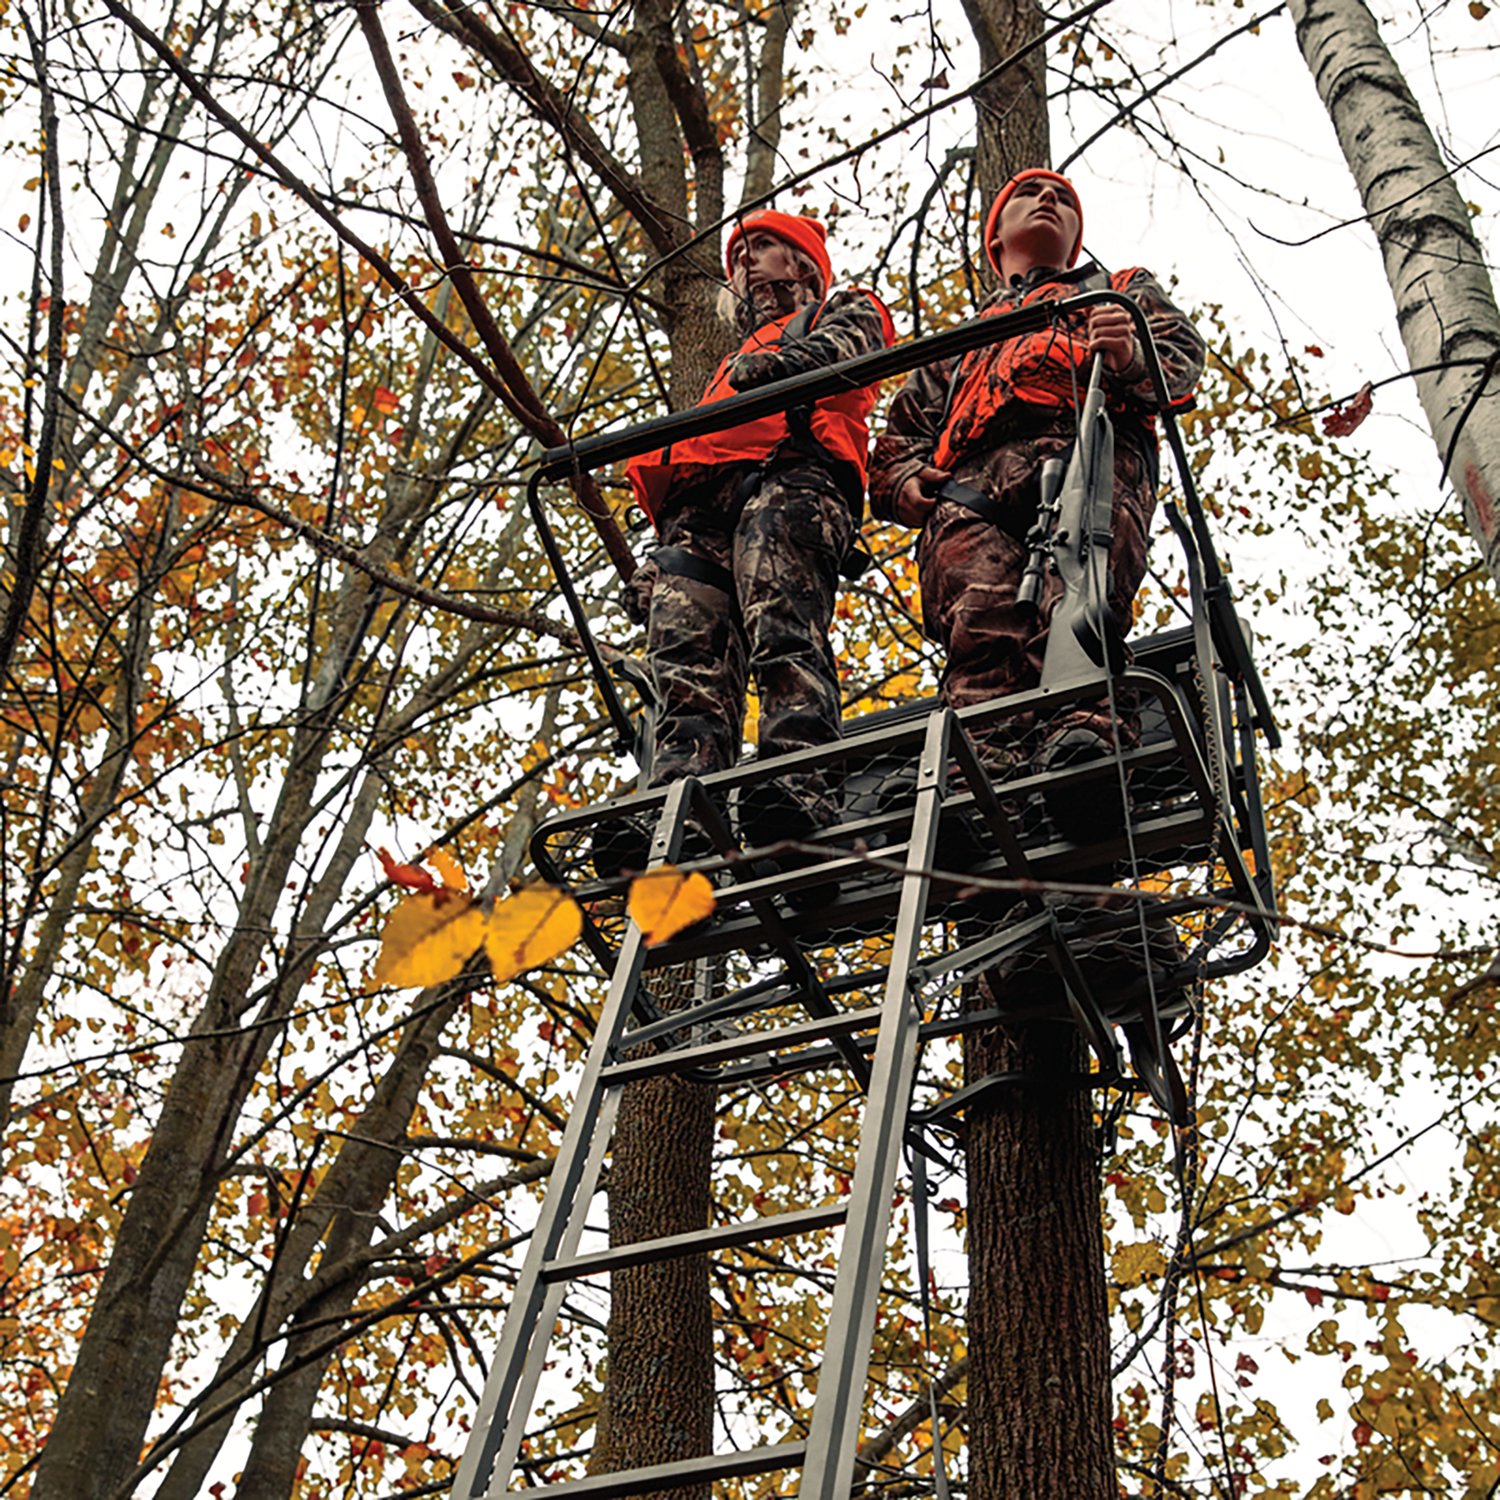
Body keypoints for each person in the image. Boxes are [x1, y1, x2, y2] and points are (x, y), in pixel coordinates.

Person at [868, 168, 1205, 842]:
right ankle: (968, 787)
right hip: (970, 501)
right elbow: (897, 441)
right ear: (994, 239)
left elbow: (1180, 358)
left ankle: (1084, 751)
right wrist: (906, 483)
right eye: (1029, 195)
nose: (1049, 201)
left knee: (1078, 613)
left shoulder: (1116, 293)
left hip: (1087, 463)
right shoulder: (960, 343)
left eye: (1065, 201)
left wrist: (1132, 354)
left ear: (1079, 237)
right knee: (979, 638)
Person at [595, 210, 895, 877]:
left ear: (804, 263)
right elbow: (701, 450)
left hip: (789, 474)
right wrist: (656, 567)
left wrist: (782, 366)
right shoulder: (729, 366)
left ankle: (798, 787)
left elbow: (857, 349)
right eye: (741, 253)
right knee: (683, 669)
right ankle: (677, 824)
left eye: (766, 247)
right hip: (700, 511)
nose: (749, 262)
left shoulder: (838, 311)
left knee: (783, 631)